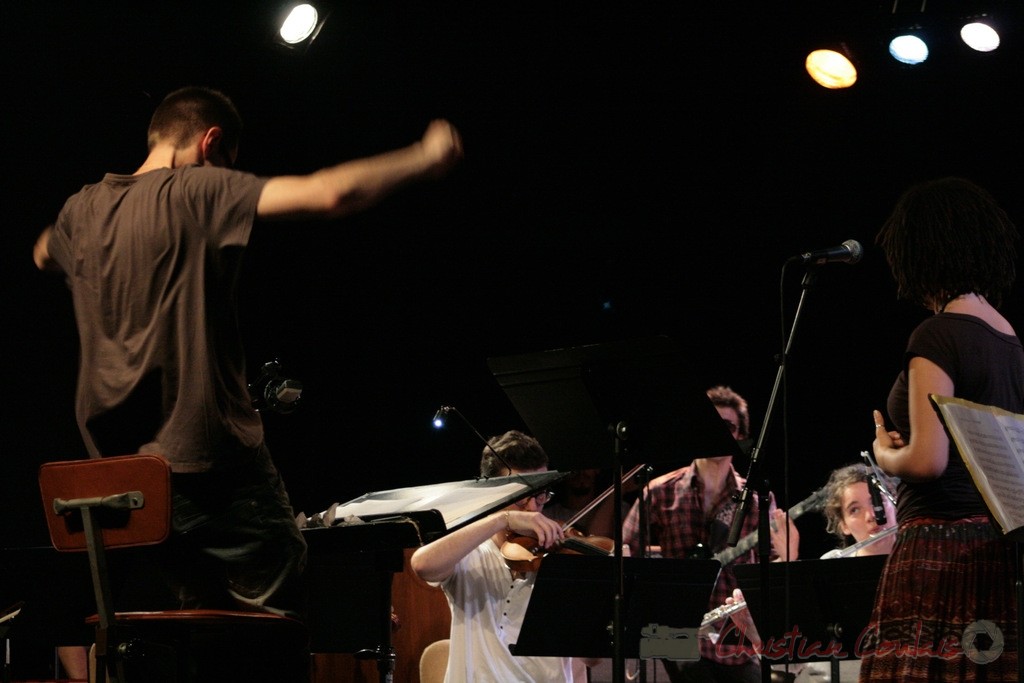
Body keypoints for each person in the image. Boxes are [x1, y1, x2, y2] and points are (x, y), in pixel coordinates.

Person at [32, 86, 463, 676]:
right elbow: (328, 192)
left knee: (196, 615)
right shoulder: (197, 188)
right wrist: (425, 154)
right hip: (207, 465)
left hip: (124, 486)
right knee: (279, 590)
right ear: (210, 144)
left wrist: (72, 253)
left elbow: (40, 253)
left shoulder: (80, 209)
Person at [862, 176, 1021, 681]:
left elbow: (928, 461)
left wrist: (884, 454)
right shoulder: (1009, 337)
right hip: (996, 550)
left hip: (939, 549)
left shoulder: (936, 334)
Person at [622, 384, 800, 683]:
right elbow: (627, 557)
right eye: (710, 426)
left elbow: (771, 584)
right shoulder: (660, 491)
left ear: (740, 436)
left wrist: (790, 556)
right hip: (675, 639)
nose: (718, 434)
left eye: (727, 427)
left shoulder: (757, 501)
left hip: (735, 644)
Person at [409, 430, 582, 682]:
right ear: (492, 495)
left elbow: (591, 659)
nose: (533, 509)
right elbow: (422, 565)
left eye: (540, 494)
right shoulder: (469, 552)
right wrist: (503, 519)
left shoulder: (560, 561)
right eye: (520, 497)